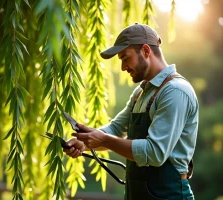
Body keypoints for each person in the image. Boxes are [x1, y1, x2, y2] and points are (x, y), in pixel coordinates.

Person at [63, 23, 198, 200]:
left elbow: (154, 153)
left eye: (125, 58)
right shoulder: (140, 93)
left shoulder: (175, 92)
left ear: (146, 51)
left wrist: (102, 139)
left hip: (169, 195)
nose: (123, 67)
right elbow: (116, 129)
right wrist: (86, 143)